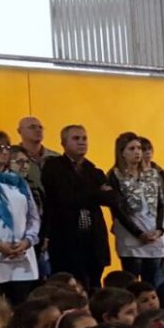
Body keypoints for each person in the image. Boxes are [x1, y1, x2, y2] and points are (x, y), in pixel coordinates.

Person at [41, 125, 119, 292]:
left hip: (93, 238)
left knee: (94, 284)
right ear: (63, 143)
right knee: (70, 286)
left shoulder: (94, 170)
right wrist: (96, 193)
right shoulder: (53, 167)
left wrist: (86, 193)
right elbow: (64, 197)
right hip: (66, 239)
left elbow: (112, 198)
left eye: (84, 138)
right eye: (76, 138)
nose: (82, 142)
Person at [108, 133, 164, 286]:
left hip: (153, 233)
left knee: (152, 283)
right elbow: (118, 209)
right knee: (132, 282)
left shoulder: (153, 174)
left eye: (139, 148)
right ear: (122, 152)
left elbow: (161, 204)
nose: (137, 152)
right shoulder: (115, 175)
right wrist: (138, 233)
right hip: (130, 235)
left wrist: (160, 229)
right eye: (132, 148)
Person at [0, 143, 41, 304]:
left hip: (21, 255)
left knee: (20, 305)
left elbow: (33, 216)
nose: (4, 152)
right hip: (0, 253)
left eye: (6, 148)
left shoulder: (18, 181)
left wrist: (28, 240)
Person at [14, 117, 57, 194]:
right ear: (19, 131)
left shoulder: (56, 158)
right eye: (32, 127)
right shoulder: (12, 158)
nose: (38, 130)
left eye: (40, 127)